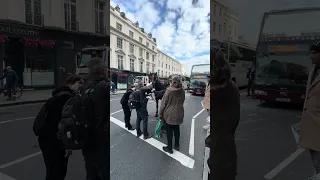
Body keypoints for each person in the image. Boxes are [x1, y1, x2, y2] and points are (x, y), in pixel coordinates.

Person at [38, 75, 83, 180]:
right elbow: (63, 124)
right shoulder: (65, 98)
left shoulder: (59, 95)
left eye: (82, 83)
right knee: (57, 172)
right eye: (79, 83)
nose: (81, 85)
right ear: (70, 84)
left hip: (46, 139)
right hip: (53, 141)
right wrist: (66, 145)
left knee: (53, 171)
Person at [208, 49, 240, 180]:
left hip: (215, 156)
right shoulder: (233, 87)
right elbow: (233, 121)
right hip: (228, 153)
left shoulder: (212, 92)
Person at [81, 57, 109, 180]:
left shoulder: (84, 86)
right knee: (104, 172)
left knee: (91, 171)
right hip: (101, 137)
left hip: (87, 137)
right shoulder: (104, 86)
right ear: (103, 70)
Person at [299, 41, 320, 180]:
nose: (311, 56)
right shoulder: (313, 71)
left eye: (315, 53)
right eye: (310, 53)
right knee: (316, 163)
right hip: (311, 126)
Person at [159, 76, 185, 154]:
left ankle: (169, 148)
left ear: (172, 81)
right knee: (177, 129)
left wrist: (160, 113)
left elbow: (163, 104)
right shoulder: (182, 90)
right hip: (179, 112)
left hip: (169, 114)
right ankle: (177, 145)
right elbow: (182, 100)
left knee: (169, 131)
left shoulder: (169, 90)